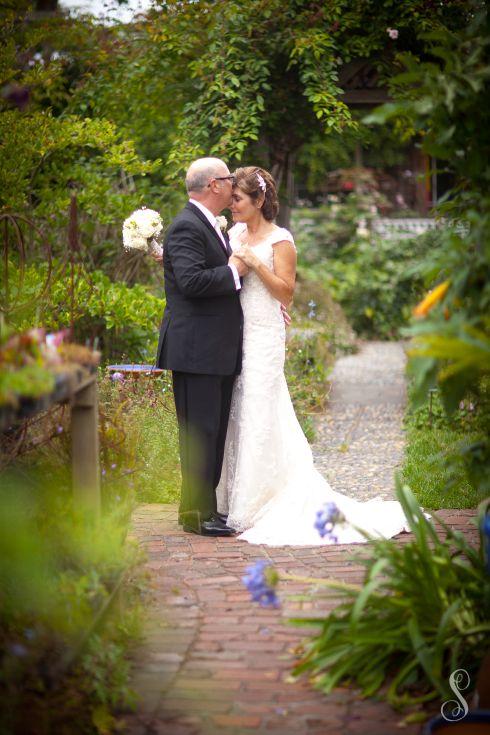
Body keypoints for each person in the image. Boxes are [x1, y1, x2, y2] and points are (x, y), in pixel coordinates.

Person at [216, 166, 409, 545]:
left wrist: (255, 263)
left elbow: (286, 293)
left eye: (237, 199)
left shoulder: (280, 240)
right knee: (238, 412)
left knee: (258, 408)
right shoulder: (234, 232)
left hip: (265, 335)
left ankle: (255, 504)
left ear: (258, 201)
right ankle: (230, 498)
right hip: (235, 333)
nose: (231, 205)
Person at [155, 157, 248, 537]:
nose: (233, 185)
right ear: (214, 185)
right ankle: (199, 514)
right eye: (229, 179)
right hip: (197, 350)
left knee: (208, 430)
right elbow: (192, 282)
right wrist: (234, 272)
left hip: (213, 349)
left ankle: (195, 508)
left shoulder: (208, 225)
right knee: (200, 431)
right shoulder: (186, 227)